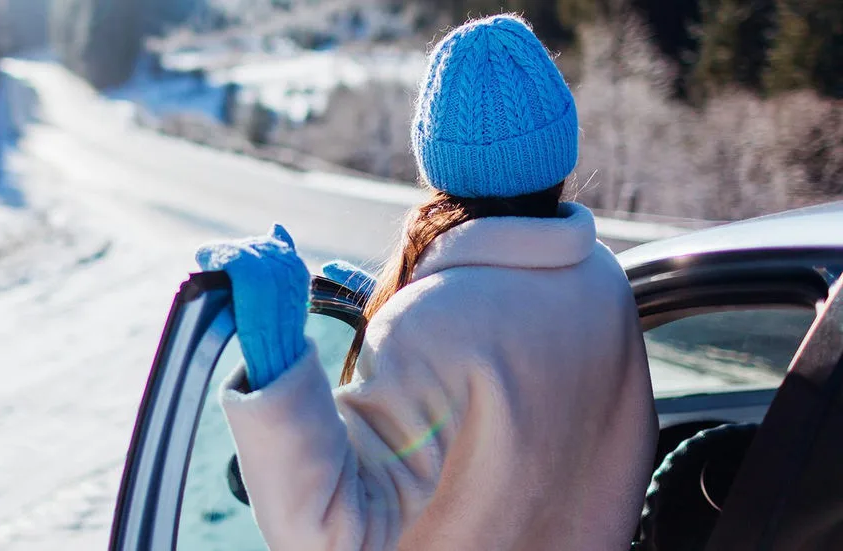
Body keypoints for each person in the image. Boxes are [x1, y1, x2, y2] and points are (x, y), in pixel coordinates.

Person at [195, 15, 658, 551]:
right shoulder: (605, 279)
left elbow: (331, 536)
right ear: (561, 146)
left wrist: (279, 378)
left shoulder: (426, 327)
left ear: (434, 160)